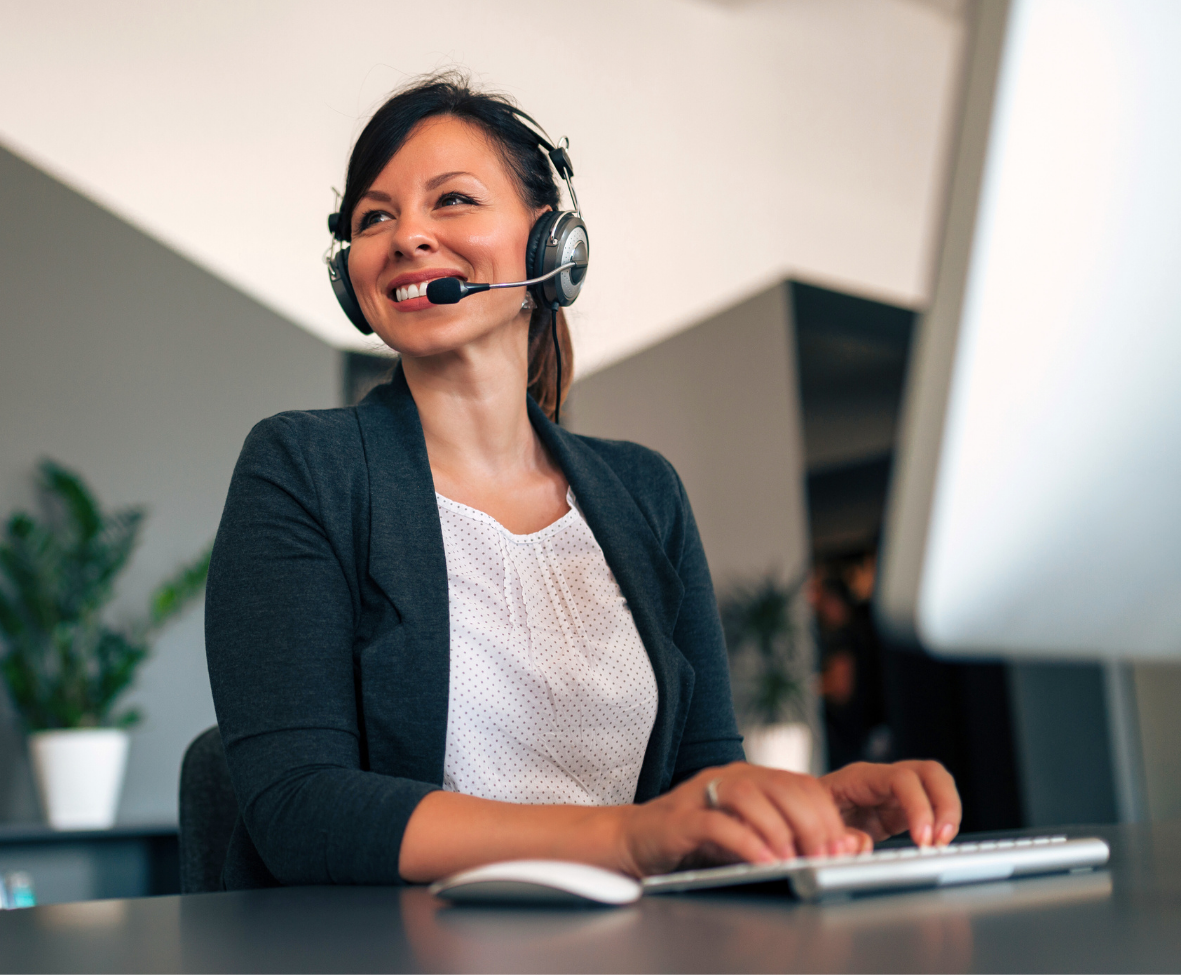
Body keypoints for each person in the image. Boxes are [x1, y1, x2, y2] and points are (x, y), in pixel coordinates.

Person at [204, 72, 961, 890]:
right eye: (373, 217)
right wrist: (628, 837)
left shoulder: (643, 492)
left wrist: (795, 812)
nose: (407, 236)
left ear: (550, 242)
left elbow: (700, 775)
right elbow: (301, 806)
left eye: (451, 200)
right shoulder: (303, 468)